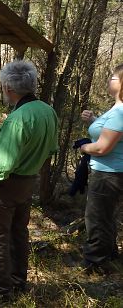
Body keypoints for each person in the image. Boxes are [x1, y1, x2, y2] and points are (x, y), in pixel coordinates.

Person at [0, 61, 58, 300]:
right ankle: (17, 280)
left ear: (8, 87)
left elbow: (4, 163)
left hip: (6, 184)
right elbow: (51, 148)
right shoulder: (47, 110)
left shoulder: (18, 119)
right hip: (28, 181)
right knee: (18, 232)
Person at [79, 64, 123, 273]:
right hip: (111, 172)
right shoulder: (117, 110)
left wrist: (84, 147)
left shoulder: (120, 112)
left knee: (96, 218)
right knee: (106, 216)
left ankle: (95, 265)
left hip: (109, 174)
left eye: (113, 78)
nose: (109, 80)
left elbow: (103, 146)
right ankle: (110, 253)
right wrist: (95, 120)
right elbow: (112, 134)